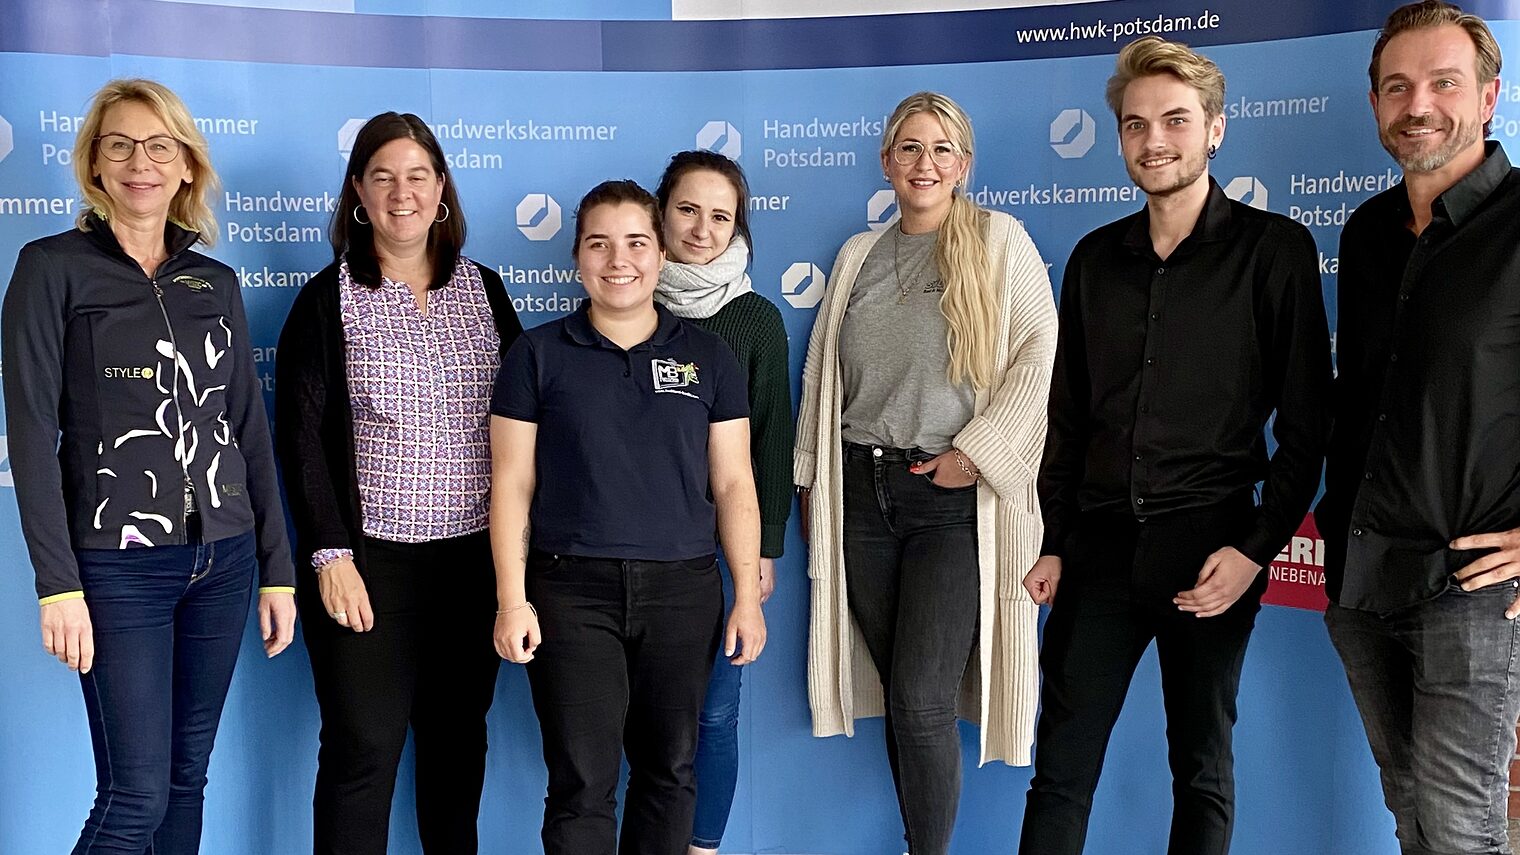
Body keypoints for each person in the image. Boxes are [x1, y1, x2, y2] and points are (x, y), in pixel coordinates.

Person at [1018, 36, 1332, 855]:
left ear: (1215, 129)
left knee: (1201, 770)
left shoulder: (1276, 251)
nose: (1154, 139)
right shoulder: (1093, 260)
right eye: (1135, 124)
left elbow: (1306, 427)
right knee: (1059, 772)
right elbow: (1069, 419)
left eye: (1175, 120)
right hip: (1099, 557)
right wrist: (1056, 541)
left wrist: (1257, 549)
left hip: (1212, 549)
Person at [1, 78, 297, 854]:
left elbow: (247, 432)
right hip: (116, 566)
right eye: (120, 144)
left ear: (187, 165)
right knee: (134, 793)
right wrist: (57, 583)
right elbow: (31, 435)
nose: (142, 162)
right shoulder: (51, 267)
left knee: (185, 780)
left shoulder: (216, 283)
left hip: (224, 561)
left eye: (160, 145)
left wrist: (276, 569)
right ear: (95, 165)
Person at [793, 91, 1057, 855]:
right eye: (910, 147)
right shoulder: (857, 256)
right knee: (902, 698)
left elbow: (1040, 355)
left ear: (964, 165)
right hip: (862, 496)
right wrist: (814, 483)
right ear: (886, 161)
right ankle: (919, 839)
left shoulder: (999, 242)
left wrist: (977, 451)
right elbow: (821, 380)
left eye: (942, 149)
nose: (925, 163)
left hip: (951, 498)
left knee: (919, 697)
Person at [490, 179, 767, 855]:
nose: (620, 259)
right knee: (581, 783)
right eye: (600, 243)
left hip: (684, 590)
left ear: (662, 254)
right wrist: (511, 599)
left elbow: (734, 483)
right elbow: (511, 481)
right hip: (569, 591)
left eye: (637, 242)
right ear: (579, 259)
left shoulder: (710, 357)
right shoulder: (535, 354)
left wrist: (747, 600)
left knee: (669, 773)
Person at [274, 111, 521, 855]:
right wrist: (330, 553)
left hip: (472, 564)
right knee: (362, 750)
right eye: (382, 176)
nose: (401, 192)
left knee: (456, 749)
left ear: (441, 187)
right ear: (357, 191)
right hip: (367, 567)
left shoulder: (485, 290)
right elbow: (302, 438)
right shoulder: (328, 299)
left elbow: (520, 425)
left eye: (418, 175)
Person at [1317, 3, 1520, 852]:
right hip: (1362, 572)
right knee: (1408, 813)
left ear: (1488, 98)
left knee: (1462, 824)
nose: (1418, 104)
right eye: (1397, 87)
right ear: (1374, 107)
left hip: (1469, 581)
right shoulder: (1365, 234)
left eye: (1443, 82)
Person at [650, 149, 792, 855]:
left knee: (714, 715)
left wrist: (763, 553)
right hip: (638, 546)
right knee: (645, 717)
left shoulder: (755, 319)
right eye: (687, 210)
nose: (702, 229)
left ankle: (702, 848)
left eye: (720, 216)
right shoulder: (622, 305)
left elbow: (771, 439)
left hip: (722, 544)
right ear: (660, 213)